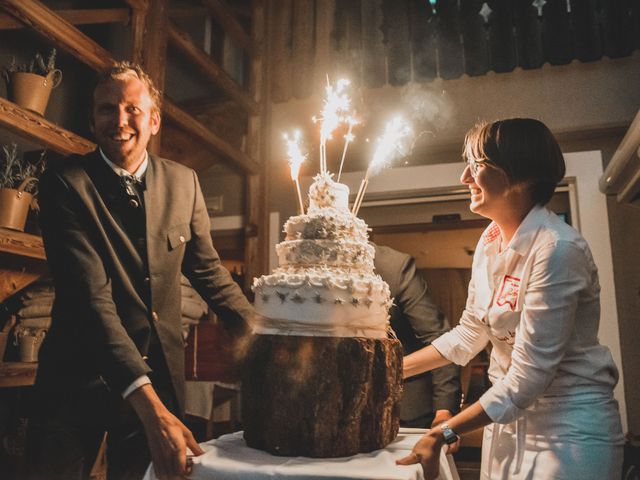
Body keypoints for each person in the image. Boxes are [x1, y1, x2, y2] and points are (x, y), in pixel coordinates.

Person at [26, 62, 255, 480]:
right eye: (106, 109)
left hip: (159, 377)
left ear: (153, 120)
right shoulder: (64, 184)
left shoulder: (184, 182)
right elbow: (90, 299)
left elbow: (209, 274)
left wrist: (263, 333)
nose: (119, 120)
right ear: (93, 120)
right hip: (76, 378)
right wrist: (147, 403)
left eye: (132, 109)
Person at [396, 118, 624, 479]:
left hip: (567, 429)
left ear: (516, 174)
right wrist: (392, 370)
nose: (465, 178)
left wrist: (445, 431)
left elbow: (530, 376)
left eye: (477, 166)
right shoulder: (489, 242)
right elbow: (470, 333)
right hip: (505, 421)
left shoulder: (557, 249)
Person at [373, 244, 461, 434]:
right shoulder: (295, 267)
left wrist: (444, 412)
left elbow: (438, 337)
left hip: (402, 410)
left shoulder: (393, 266)